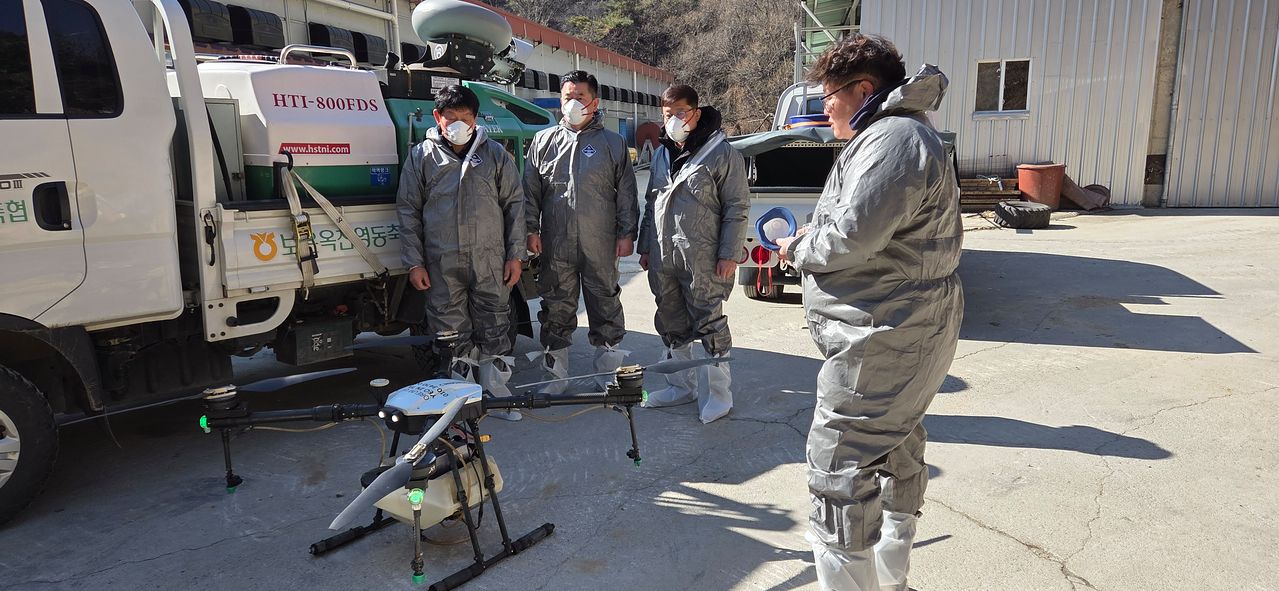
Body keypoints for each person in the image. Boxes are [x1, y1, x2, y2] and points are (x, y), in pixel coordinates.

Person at [774, 35, 964, 590]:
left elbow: (852, 239)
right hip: (894, 326)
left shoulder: (895, 138)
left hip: (886, 332)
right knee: (898, 444)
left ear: (863, 90)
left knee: (838, 467)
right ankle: (891, 579)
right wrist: (820, 233)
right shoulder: (892, 135)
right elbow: (870, 226)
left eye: (828, 95)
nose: (823, 107)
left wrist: (799, 248)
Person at [397, 84, 526, 421]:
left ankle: (497, 396)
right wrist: (414, 262)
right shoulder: (422, 157)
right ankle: (463, 401)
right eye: (450, 117)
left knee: (495, 325)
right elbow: (408, 210)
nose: (457, 124)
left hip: (490, 260)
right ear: (438, 117)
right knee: (451, 332)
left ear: (475, 118)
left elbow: (514, 205)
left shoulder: (495, 154)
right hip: (442, 262)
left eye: (465, 117)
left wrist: (516, 255)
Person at [637, 84, 749, 424]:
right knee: (671, 319)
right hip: (664, 255)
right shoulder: (661, 153)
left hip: (703, 256)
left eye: (680, 113)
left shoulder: (720, 153)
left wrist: (729, 253)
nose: (673, 121)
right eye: (668, 114)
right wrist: (646, 246)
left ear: (696, 113)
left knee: (709, 322)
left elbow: (737, 207)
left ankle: (719, 395)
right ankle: (680, 386)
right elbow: (652, 202)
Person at [524, 70, 639, 392]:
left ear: (594, 102)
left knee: (605, 304)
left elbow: (626, 192)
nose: (573, 103)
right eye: (567, 98)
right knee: (556, 306)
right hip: (555, 243)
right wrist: (530, 230)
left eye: (580, 98)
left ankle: (607, 374)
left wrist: (626, 233)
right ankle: (555, 378)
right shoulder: (543, 142)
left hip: (599, 242)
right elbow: (530, 192)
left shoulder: (612, 144)